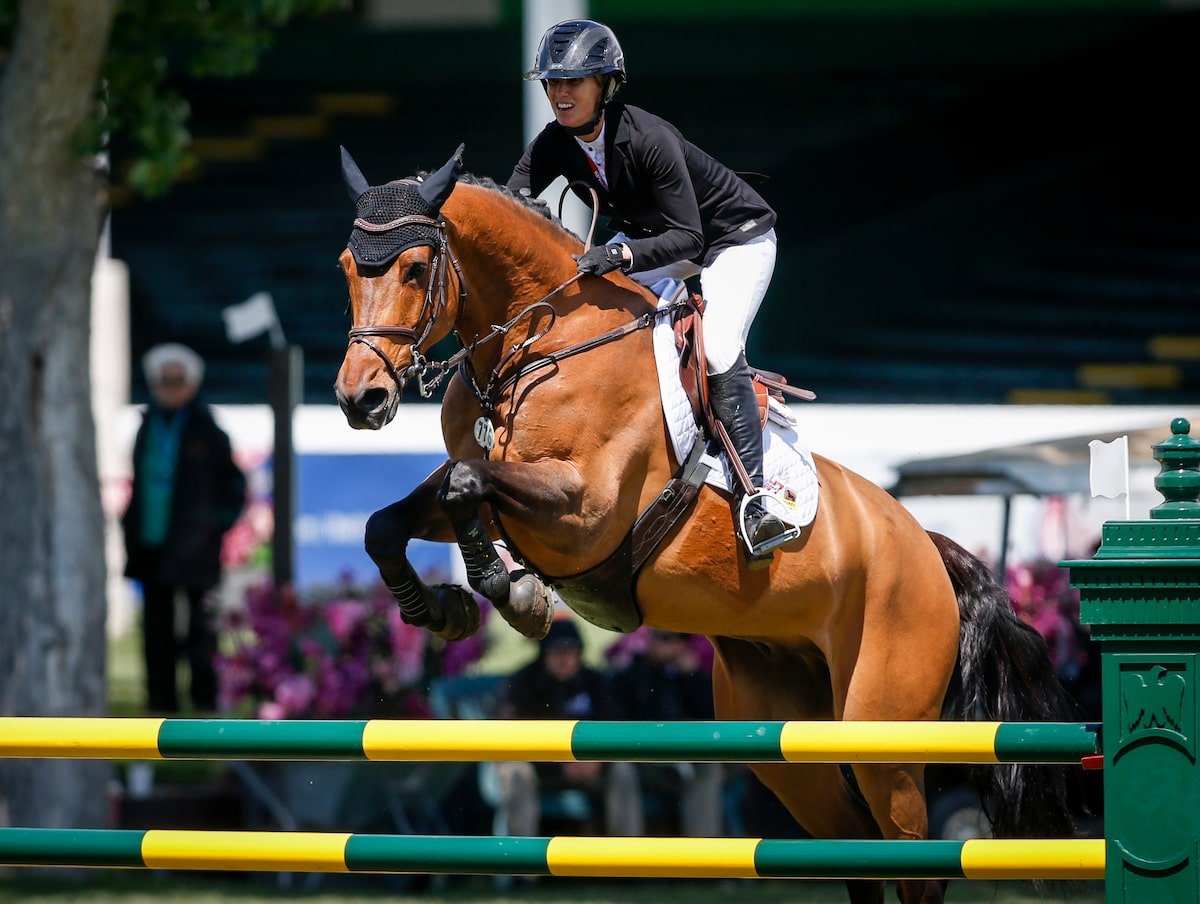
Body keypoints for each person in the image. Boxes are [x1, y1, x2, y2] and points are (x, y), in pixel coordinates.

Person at [508, 18, 788, 560]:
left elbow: (688, 238)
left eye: (575, 82)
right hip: (654, 243)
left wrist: (616, 254)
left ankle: (756, 498)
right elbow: (512, 199)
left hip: (733, 241)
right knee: (577, 304)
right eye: (553, 83)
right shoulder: (555, 142)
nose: (560, 94)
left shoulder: (648, 136)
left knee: (722, 347)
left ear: (606, 85)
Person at [122, 343, 245, 713]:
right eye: (164, 380)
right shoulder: (147, 427)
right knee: (156, 632)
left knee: (201, 631)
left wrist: (212, 527)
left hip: (196, 550)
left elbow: (234, 487)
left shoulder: (209, 431)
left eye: (178, 380)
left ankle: (204, 703)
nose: (171, 387)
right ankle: (160, 704)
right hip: (151, 546)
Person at [492, 618, 611, 835]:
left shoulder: (595, 682)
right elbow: (508, 738)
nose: (564, 658)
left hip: (586, 765)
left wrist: (600, 758)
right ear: (544, 653)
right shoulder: (523, 683)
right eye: (557, 651)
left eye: (570, 651)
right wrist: (557, 764)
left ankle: (626, 858)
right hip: (537, 767)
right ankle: (521, 861)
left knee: (623, 770)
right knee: (517, 772)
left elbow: (614, 724)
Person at [604, 630, 725, 837]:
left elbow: (715, 720)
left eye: (666, 639)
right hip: (642, 760)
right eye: (654, 636)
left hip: (685, 760)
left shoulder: (694, 677)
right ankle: (624, 860)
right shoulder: (632, 673)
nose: (656, 643)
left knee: (710, 765)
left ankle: (704, 858)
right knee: (620, 769)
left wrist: (691, 677)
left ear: (682, 646)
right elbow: (617, 720)